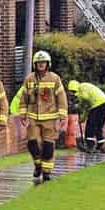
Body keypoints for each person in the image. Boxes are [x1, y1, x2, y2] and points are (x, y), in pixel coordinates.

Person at [20, 51, 68, 183]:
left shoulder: (55, 79)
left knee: (48, 145)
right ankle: (38, 165)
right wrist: (23, 114)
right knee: (32, 143)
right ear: (35, 64)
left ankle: (47, 172)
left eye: (43, 62)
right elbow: (23, 98)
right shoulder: (29, 79)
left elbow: (62, 98)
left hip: (50, 117)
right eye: (39, 63)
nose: (41, 65)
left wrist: (62, 115)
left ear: (48, 64)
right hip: (33, 117)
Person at [68, 80, 105, 153]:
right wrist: (83, 118)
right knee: (97, 127)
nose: (73, 94)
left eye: (73, 92)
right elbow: (87, 107)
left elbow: (85, 99)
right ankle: (102, 145)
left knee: (90, 126)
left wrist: (78, 105)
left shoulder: (82, 89)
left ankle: (90, 146)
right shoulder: (85, 86)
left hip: (98, 105)